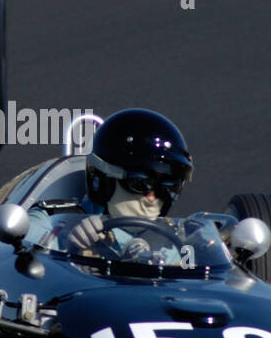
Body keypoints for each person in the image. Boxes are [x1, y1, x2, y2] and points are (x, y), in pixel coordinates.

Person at [26, 108, 194, 256]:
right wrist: (64, 245)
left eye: (169, 186)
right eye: (141, 182)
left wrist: (204, 250)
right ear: (103, 181)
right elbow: (16, 257)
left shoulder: (176, 246)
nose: (153, 198)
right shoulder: (51, 222)